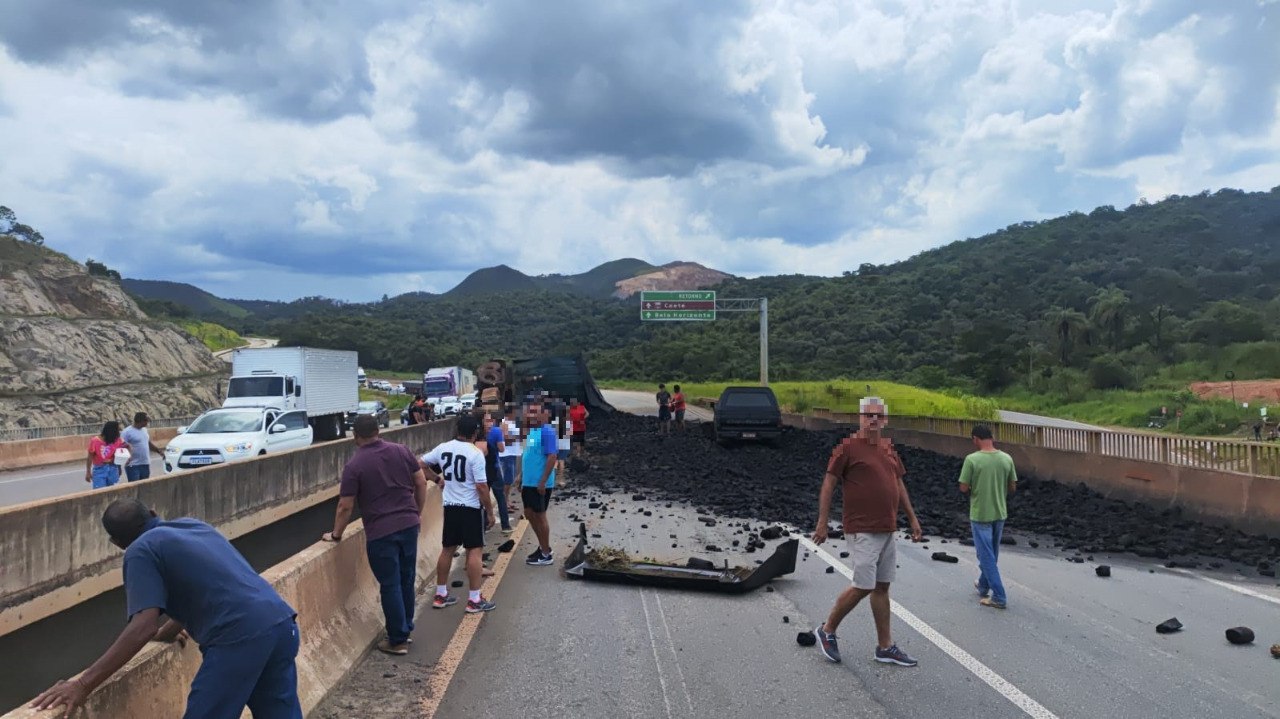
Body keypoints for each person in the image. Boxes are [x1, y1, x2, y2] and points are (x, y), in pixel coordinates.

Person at [31, 499, 302, 718]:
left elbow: (142, 626)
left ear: (116, 543)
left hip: (239, 638)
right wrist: (172, 627)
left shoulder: (140, 551)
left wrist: (82, 684)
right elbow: (213, 585)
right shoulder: (193, 525)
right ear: (153, 512)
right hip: (280, 623)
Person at [812, 396, 923, 668]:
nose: (872, 419)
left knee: (882, 586)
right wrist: (822, 521)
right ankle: (827, 630)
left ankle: (885, 647)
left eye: (878, 415)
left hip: (887, 527)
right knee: (864, 584)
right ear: (860, 418)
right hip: (861, 527)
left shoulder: (887, 448)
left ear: (884, 420)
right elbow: (829, 484)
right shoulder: (848, 448)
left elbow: (898, 483)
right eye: (867, 414)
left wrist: (912, 518)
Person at [323, 415, 429, 656]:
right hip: (409, 524)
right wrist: (416, 512)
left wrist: (336, 534)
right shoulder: (402, 451)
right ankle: (405, 627)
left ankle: (398, 639)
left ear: (355, 436)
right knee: (406, 577)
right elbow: (421, 483)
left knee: (390, 584)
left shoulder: (354, 465)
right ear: (379, 430)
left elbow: (345, 506)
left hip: (381, 532)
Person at [420, 414, 498, 614]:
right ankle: (474, 599)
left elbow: (420, 464)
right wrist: (489, 512)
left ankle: (440, 594)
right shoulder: (475, 454)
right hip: (470, 508)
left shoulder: (443, 448)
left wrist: (437, 480)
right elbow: (481, 487)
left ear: (457, 431)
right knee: (474, 550)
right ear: (475, 433)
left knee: (447, 549)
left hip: (451, 506)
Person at [959, 424, 1018, 609]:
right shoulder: (1006, 459)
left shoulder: (972, 460)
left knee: (985, 556)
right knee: (991, 553)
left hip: (980, 514)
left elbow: (963, 487)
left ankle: (999, 596)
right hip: (1000, 513)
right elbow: (1013, 486)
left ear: (976, 439)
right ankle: (983, 585)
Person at [517, 395, 560, 566]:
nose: (531, 414)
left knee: (540, 516)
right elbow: (529, 456)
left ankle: (546, 553)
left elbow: (552, 457)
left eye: (535, 412)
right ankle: (543, 546)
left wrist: (542, 481)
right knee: (529, 513)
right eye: (530, 411)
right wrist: (521, 476)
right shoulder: (533, 432)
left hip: (539, 484)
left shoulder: (547, 431)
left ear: (546, 413)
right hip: (529, 482)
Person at [481, 411, 511, 533]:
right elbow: (502, 449)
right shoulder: (496, 431)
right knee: (500, 496)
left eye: (490, 420)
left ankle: (484, 526)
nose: (490, 424)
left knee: (482, 498)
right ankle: (505, 525)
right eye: (487, 421)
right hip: (493, 468)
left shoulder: (476, 435)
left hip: (481, 471)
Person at [498, 404, 522, 535]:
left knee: (510, 480)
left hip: (512, 454)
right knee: (507, 481)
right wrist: (518, 437)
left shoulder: (511, 422)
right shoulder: (505, 423)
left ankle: (507, 501)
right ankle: (505, 502)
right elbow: (505, 438)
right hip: (506, 455)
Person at [121, 412, 165, 482]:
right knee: (135, 488)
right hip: (132, 465)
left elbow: (148, 443)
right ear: (141, 421)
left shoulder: (144, 430)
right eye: (146, 420)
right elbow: (121, 447)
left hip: (145, 464)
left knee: (144, 487)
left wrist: (158, 451)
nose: (147, 423)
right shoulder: (126, 432)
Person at [86, 421, 127, 489]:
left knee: (113, 492)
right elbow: (90, 457)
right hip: (99, 470)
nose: (118, 433)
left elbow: (124, 450)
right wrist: (88, 472)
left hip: (113, 469)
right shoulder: (95, 441)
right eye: (117, 431)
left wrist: (118, 466)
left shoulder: (117, 440)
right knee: (99, 493)